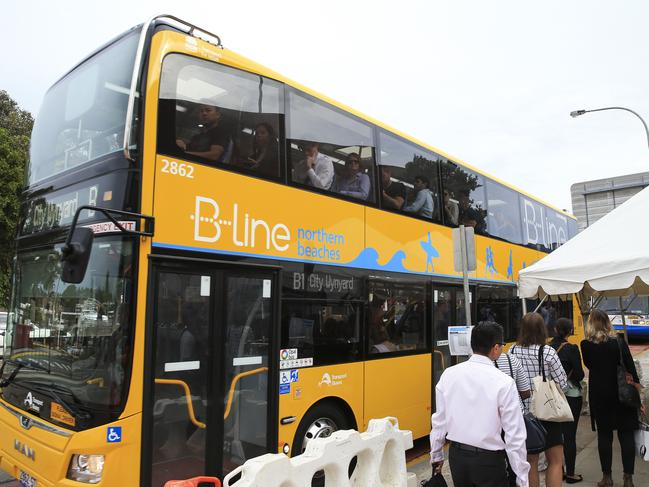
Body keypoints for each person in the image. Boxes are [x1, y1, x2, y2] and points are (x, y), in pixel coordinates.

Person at [430, 322, 529, 487]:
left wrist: (436, 455)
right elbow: (514, 435)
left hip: (457, 458)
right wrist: (522, 478)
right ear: (495, 348)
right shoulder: (504, 382)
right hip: (489, 460)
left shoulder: (449, 374)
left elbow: (439, 421)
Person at [580, 309, 641, 487]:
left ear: (590, 324)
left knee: (604, 436)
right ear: (608, 323)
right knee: (626, 434)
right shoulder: (619, 343)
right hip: (622, 394)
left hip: (600, 394)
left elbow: (590, 365)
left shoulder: (585, 345)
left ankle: (607, 477)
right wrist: (637, 392)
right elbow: (631, 368)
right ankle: (628, 478)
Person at [510, 312, 568, 487]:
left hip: (523, 415)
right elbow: (563, 383)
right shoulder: (548, 352)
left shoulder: (512, 350)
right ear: (543, 329)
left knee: (530, 462)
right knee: (556, 461)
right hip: (547, 412)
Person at [549, 317, 585, 484]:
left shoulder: (547, 348)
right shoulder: (571, 349)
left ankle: (558, 469)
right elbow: (580, 374)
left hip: (551, 396)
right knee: (570, 436)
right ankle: (570, 473)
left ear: (555, 329)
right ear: (570, 331)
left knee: (556, 436)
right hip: (571, 396)